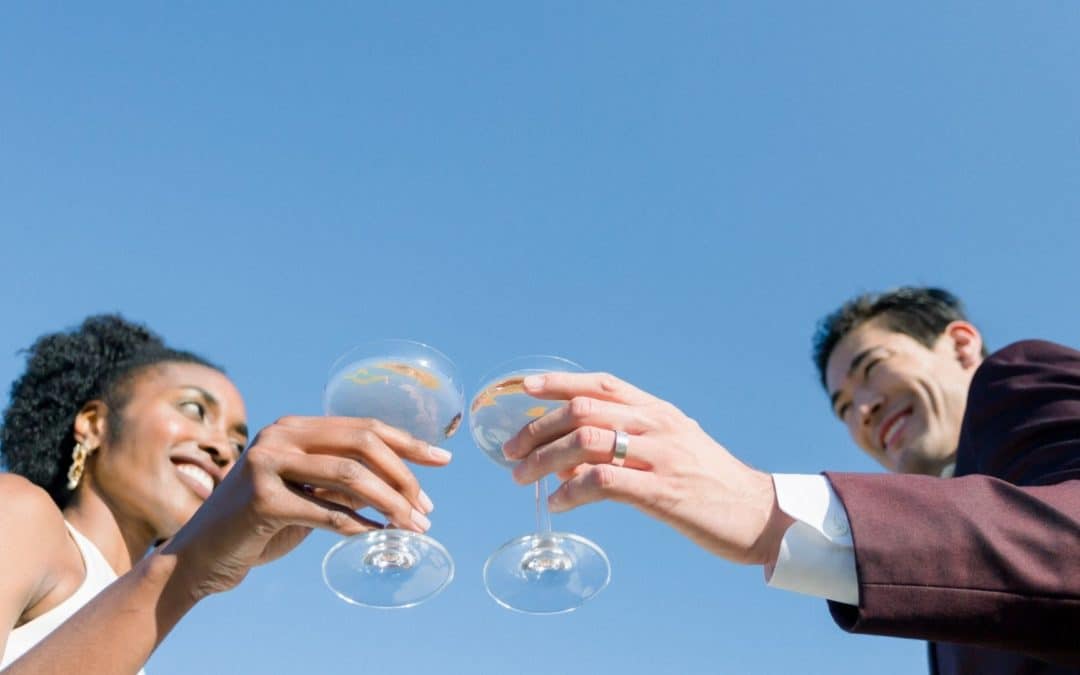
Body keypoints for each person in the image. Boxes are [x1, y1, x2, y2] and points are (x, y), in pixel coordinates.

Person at [503, 287, 1079, 674]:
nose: (865, 414)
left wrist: (767, 509)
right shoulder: (936, 605)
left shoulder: (1014, 377)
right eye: (845, 407)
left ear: (959, 344)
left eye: (872, 371)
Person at [0, 315, 450, 673]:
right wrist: (190, 566)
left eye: (239, 444)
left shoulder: (136, 614)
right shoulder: (18, 509)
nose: (222, 450)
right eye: (193, 409)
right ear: (94, 423)